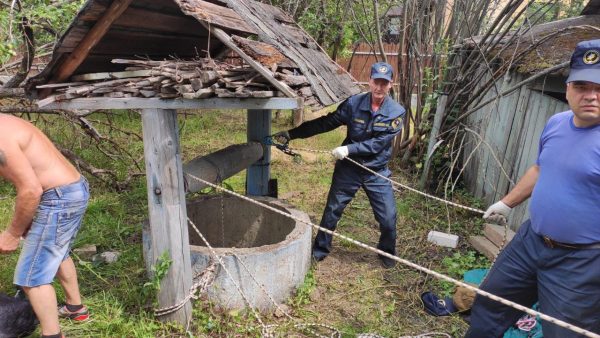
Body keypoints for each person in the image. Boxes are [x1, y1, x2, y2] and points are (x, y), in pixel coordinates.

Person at [467, 39, 600, 337]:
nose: (590, 96)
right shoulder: (557, 123)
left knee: (566, 334)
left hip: (581, 262)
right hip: (529, 242)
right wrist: (506, 203)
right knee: (490, 304)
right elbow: (540, 168)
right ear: (567, 88)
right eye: (582, 86)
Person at [273, 62, 405, 268]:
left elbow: (378, 144)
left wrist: (348, 149)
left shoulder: (396, 112)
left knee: (388, 218)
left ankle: (387, 253)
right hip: (349, 169)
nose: (379, 87)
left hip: (375, 171)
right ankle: (320, 250)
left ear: (390, 85)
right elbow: (327, 122)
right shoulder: (354, 104)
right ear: (369, 81)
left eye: (384, 83)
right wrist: (292, 134)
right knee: (333, 210)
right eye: (376, 82)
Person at [0, 115, 90, 338]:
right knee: (57, 253)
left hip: (58, 198)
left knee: (31, 277)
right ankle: (75, 308)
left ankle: (52, 334)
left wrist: (12, 233)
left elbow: (30, 190)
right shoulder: (6, 122)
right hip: (73, 188)